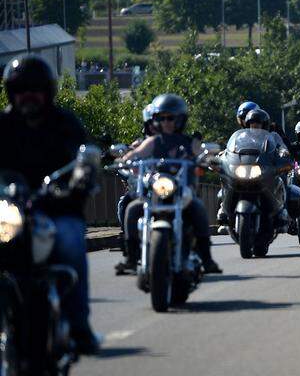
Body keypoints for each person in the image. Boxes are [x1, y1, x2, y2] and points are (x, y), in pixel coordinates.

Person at [0, 55, 100, 353]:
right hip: (9, 210)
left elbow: (82, 158)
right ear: (11, 92)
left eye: (35, 89)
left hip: (56, 209)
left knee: (71, 242)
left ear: (48, 91)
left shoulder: (65, 123)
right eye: (20, 89)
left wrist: (79, 178)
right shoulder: (2, 125)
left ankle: (79, 325)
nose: (28, 96)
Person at [120, 94, 222, 274]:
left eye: (171, 118)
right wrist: (125, 160)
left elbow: (203, 155)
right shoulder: (153, 141)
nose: (166, 122)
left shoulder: (189, 142)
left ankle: (207, 258)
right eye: (162, 118)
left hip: (182, 190)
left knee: (198, 209)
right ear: (156, 120)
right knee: (132, 209)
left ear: (180, 119)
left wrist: (209, 159)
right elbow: (134, 156)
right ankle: (131, 257)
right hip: (157, 190)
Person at [115, 103, 158, 274]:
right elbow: (130, 156)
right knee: (126, 205)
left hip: (167, 191)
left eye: (162, 121)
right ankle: (131, 253)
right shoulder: (141, 144)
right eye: (153, 123)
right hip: (145, 191)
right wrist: (121, 159)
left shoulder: (173, 144)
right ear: (147, 125)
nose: (157, 126)